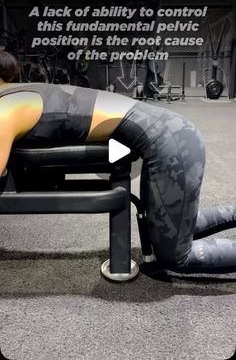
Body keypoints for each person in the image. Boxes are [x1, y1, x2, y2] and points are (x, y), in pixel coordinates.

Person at [0, 50, 236, 274]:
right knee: (171, 227)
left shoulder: (5, 108)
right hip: (174, 134)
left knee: (175, 255)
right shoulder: (20, 91)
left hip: (172, 143)